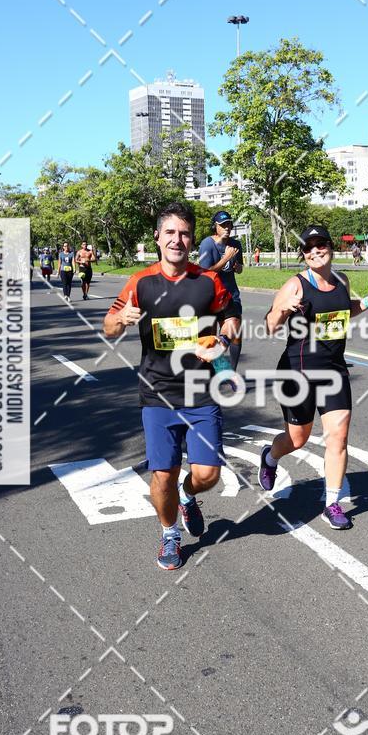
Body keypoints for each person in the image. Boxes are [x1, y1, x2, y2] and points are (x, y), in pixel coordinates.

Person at [103, 202, 240, 571]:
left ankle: (189, 496)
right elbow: (109, 326)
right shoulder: (140, 282)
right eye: (170, 233)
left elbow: (231, 319)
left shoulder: (207, 281)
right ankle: (168, 534)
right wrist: (120, 319)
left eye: (184, 233)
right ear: (158, 238)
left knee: (207, 475)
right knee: (162, 474)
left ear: (192, 239)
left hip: (200, 391)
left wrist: (224, 343)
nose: (177, 240)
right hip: (157, 394)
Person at [258, 224, 368, 530]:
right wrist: (283, 311)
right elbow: (269, 326)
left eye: (320, 244)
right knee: (297, 439)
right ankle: (270, 457)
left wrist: (366, 304)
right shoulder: (296, 285)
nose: (315, 250)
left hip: (334, 370)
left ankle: (332, 504)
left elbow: (342, 310)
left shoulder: (342, 279)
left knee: (338, 438)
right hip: (297, 372)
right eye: (308, 247)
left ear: (330, 246)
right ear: (303, 254)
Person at [198, 211, 243, 371]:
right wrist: (225, 258)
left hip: (231, 296)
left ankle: (232, 373)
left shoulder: (236, 244)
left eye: (229, 224)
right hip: (211, 297)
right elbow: (205, 273)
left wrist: (238, 267)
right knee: (211, 339)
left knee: (236, 336)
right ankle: (217, 371)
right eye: (223, 225)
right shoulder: (207, 244)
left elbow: (240, 269)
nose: (227, 228)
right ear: (215, 227)